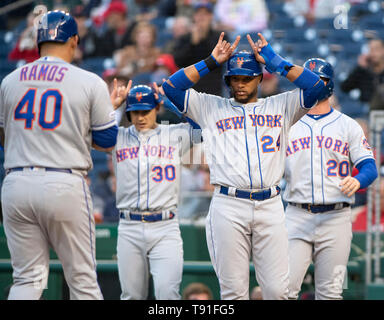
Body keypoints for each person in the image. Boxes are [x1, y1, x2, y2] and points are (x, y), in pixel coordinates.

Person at [162, 31, 334, 299]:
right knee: (234, 293)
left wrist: (274, 61)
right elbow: (171, 87)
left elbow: (317, 88)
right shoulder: (209, 107)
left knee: (278, 292)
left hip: (270, 205)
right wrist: (210, 61)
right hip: (229, 204)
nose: (240, 84)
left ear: (259, 78)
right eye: (235, 79)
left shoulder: (281, 105)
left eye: (246, 78)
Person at [0, 10, 129, 300]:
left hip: (16, 182)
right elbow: (108, 140)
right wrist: (101, 114)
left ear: (39, 41)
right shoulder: (87, 81)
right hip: (63, 182)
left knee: (27, 279)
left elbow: (3, 136)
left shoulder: (10, 81)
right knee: (82, 280)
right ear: (74, 40)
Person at [283, 58, 378, 300]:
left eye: (319, 80)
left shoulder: (348, 126)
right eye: (309, 79)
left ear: (329, 85)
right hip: (296, 214)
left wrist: (358, 181)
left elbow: (369, 167)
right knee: (282, 290)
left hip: (336, 217)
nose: (314, 84)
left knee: (331, 293)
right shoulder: (287, 124)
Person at [112, 83, 201, 300]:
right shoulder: (118, 137)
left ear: (156, 108)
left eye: (146, 111)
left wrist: (170, 101)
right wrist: (113, 108)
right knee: (131, 296)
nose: (140, 117)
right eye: (135, 112)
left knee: (167, 295)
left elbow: (204, 127)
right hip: (129, 226)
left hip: (165, 226)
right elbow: (92, 135)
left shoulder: (175, 134)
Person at [172, 2, 229, 95]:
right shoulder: (185, 38)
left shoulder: (220, 36)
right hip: (190, 89)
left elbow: (220, 58)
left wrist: (205, 36)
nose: (202, 17)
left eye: (205, 14)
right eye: (199, 14)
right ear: (194, 16)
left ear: (211, 16)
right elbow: (178, 62)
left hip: (214, 87)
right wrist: (193, 43)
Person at [340, 37, 384, 106]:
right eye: (371, 50)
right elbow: (345, 87)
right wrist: (360, 68)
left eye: (376, 49)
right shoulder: (362, 71)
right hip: (366, 111)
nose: (373, 53)